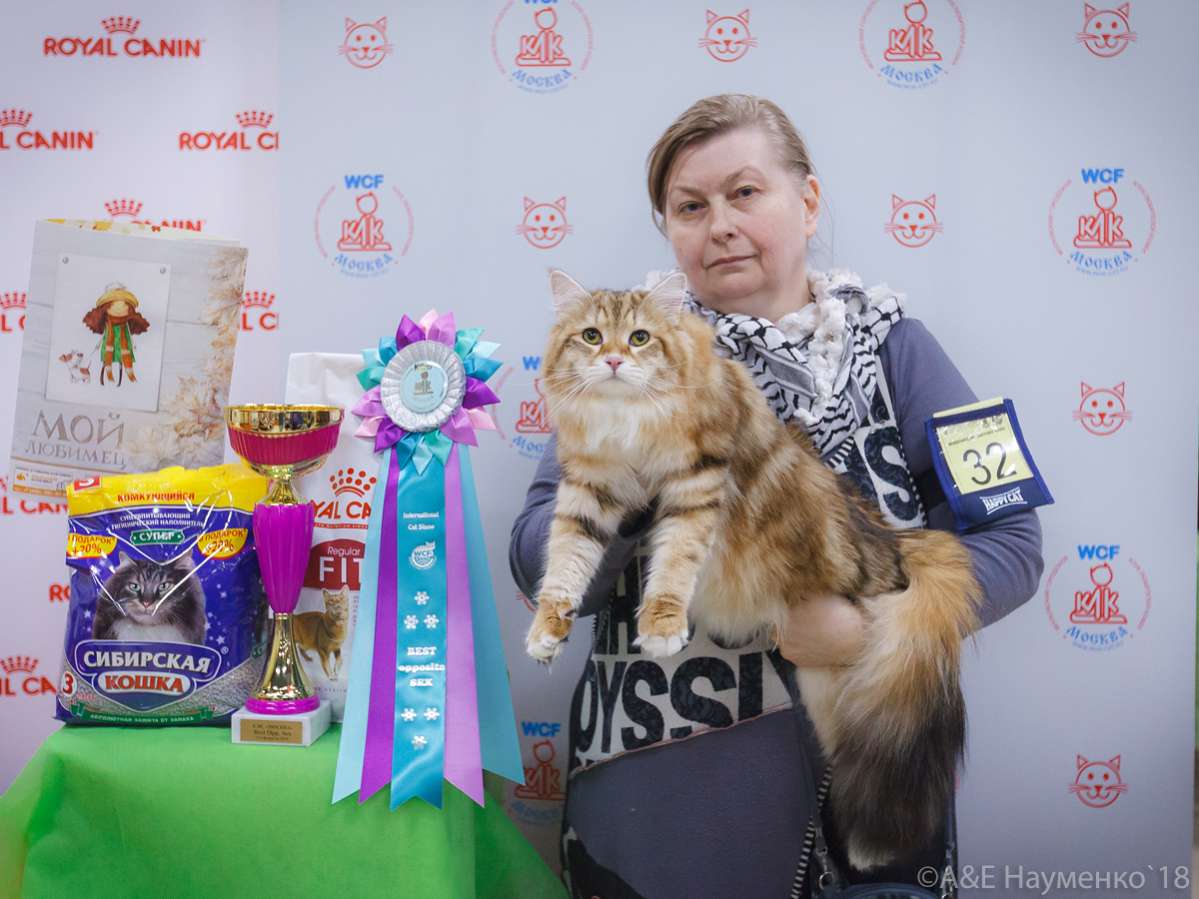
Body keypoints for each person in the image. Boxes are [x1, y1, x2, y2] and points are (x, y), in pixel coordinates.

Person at [508, 93, 1044, 898]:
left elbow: (1012, 541)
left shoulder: (901, 346)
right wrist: (642, 475)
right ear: (668, 230)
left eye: (745, 192)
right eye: (690, 207)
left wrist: (869, 629)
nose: (719, 224)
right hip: (659, 811)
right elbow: (535, 561)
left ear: (808, 201)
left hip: (869, 796)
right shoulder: (623, 358)